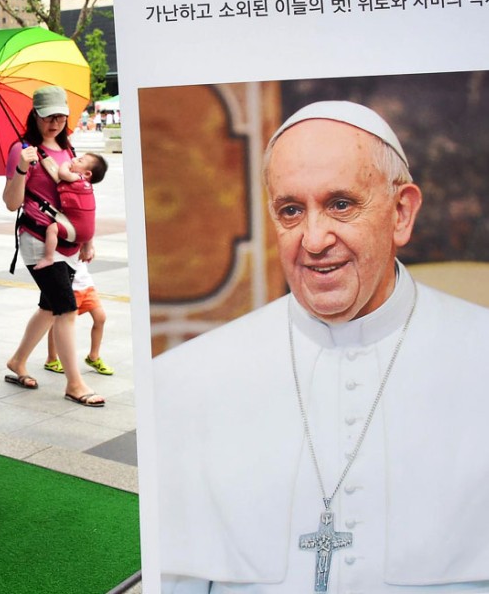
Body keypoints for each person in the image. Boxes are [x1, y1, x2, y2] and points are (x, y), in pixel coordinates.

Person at [153, 101, 489, 592]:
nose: (313, 239)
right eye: (291, 210)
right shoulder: (186, 379)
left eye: (340, 204)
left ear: (401, 212)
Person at [2, 85, 105, 407]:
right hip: (37, 238)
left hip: (69, 241)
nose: (56, 123)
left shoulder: (70, 151)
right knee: (67, 308)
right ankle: (74, 383)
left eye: (61, 116)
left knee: (49, 307)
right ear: (35, 116)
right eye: (49, 117)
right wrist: (21, 167)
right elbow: (11, 202)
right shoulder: (21, 150)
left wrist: (87, 239)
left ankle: (17, 362)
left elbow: (78, 201)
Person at [32, 152, 108, 271]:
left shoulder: (78, 178)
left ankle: (48, 257)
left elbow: (62, 173)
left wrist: (66, 163)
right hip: (88, 231)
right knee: (85, 219)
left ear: (87, 173)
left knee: (52, 229)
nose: (74, 160)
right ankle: (88, 250)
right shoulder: (86, 185)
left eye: (80, 161)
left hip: (76, 230)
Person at [43, 261, 114, 376]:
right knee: (59, 322)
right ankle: (51, 359)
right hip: (70, 287)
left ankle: (93, 357)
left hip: (86, 285)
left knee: (100, 318)